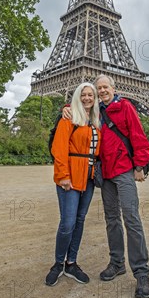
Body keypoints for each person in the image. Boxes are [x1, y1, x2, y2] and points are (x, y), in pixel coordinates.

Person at [63, 74, 149, 298]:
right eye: (98, 88)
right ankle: (117, 262)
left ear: (114, 88)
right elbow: (78, 105)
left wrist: (140, 165)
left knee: (131, 218)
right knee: (111, 219)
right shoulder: (95, 112)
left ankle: (141, 272)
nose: (102, 91)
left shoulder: (126, 107)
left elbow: (138, 136)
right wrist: (64, 108)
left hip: (123, 170)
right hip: (106, 173)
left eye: (105, 87)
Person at [45, 82, 101, 287]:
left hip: (89, 177)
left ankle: (71, 262)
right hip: (70, 176)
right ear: (77, 96)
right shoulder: (69, 118)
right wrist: (63, 175)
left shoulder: (96, 120)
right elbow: (59, 149)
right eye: (83, 94)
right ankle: (58, 263)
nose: (87, 98)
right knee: (67, 223)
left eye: (91, 95)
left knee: (79, 220)